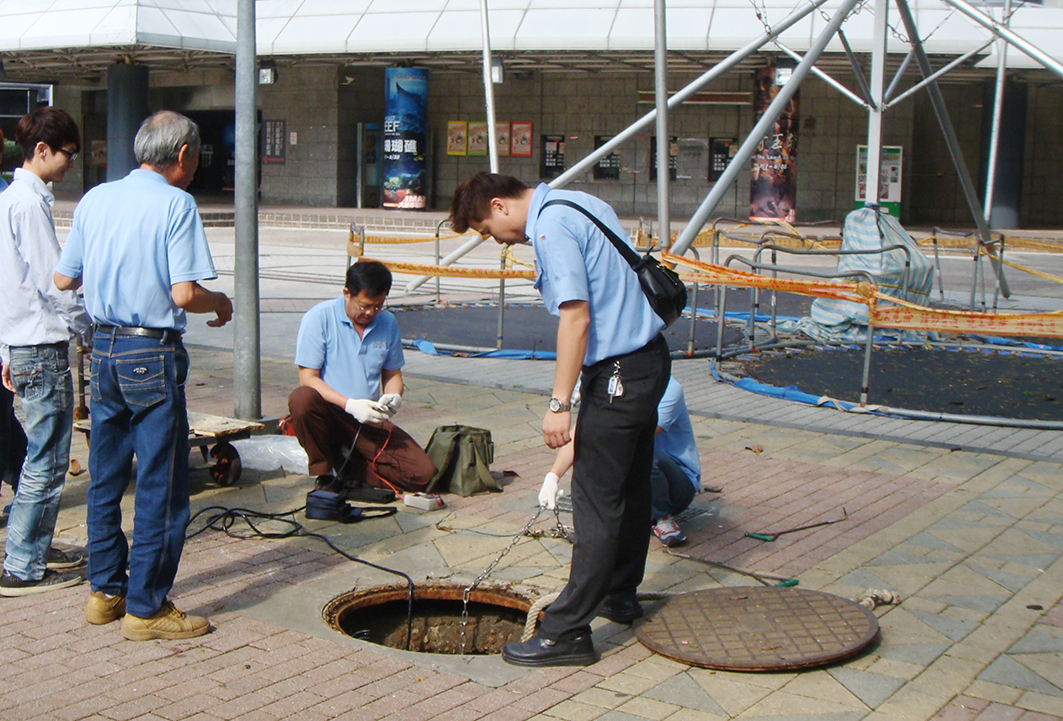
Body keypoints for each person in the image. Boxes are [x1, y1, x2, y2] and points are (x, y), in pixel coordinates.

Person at [449, 172, 670, 667]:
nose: (495, 240)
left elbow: (576, 317)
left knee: (596, 500)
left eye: (486, 229)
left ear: (501, 206)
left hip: (614, 371)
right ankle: (619, 593)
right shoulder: (578, 200)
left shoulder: (549, 227)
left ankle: (567, 632)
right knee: (631, 487)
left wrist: (558, 403)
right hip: (648, 359)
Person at [55, 110, 232, 640]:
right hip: (149, 352)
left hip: (102, 347)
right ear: (182, 156)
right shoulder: (177, 204)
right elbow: (184, 294)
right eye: (196, 158)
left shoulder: (96, 198)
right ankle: (146, 606)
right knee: (161, 483)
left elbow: (65, 277)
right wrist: (219, 301)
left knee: (107, 477)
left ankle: (105, 591)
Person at [0, 107, 92, 596]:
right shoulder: (29, 204)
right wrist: (88, 328)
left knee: (42, 456)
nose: (69, 165)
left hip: (20, 343)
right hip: (40, 345)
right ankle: (22, 564)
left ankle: (31, 547)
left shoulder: (7, 198)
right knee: (47, 460)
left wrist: (3, 349)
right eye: (68, 155)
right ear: (42, 150)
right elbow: (53, 282)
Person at [288, 260, 435, 495]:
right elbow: (307, 378)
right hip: (330, 411)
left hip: (368, 418)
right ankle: (324, 471)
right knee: (302, 399)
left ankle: (349, 465)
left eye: (377, 306)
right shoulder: (319, 318)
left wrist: (393, 396)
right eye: (364, 305)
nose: (370, 313)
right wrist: (349, 404)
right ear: (347, 293)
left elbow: (392, 374)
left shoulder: (387, 323)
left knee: (422, 474)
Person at [543, 377, 701, 548]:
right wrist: (553, 475)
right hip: (634, 475)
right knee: (595, 450)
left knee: (638, 450)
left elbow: (639, 435)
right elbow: (581, 432)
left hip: (676, 483)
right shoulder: (612, 384)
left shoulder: (670, 389)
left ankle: (662, 518)